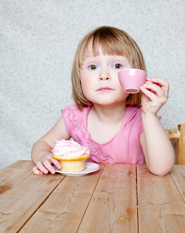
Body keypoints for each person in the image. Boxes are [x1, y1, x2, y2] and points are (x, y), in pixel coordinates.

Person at [31, 26, 175, 176]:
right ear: (79, 78)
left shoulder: (141, 120)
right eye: (93, 66)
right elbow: (42, 144)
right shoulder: (74, 117)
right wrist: (43, 156)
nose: (104, 75)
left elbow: (161, 168)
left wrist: (150, 115)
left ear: (134, 76)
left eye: (117, 66)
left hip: (132, 196)